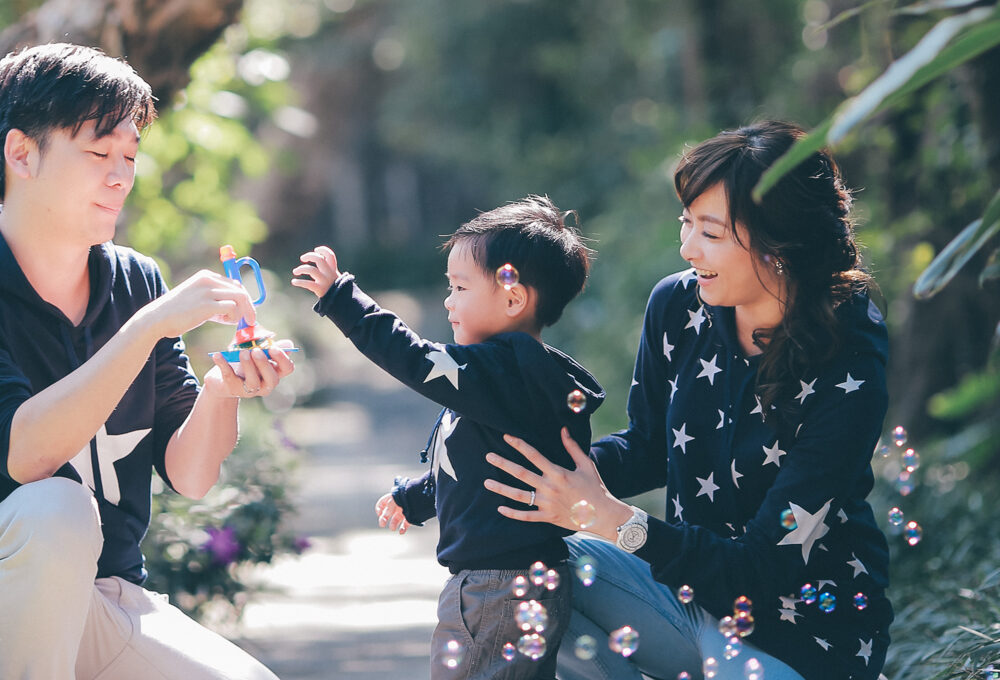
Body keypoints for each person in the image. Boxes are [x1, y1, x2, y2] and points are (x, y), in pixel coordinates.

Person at [0, 42, 294, 680]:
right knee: (56, 508)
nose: (121, 176)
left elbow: (191, 475)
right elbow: (27, 453)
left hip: (100, 597)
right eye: (99, 153)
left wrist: (222, 389)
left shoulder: (134, 280)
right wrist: (147, 327)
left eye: (129, 156)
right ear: (21, 153)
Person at [483, 121, 892, 680]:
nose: (686, 247)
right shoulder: (678, 305)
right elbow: (650, 446)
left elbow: (761, 566)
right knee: (518, 568)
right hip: (684, 598)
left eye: (711, 232)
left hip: (803, 631)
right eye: (686, 223)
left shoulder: (849, 350)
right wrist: (545, 481)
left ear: (782, 244)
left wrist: (616, 521)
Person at [292, 196, 606, 680]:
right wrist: (420, 496)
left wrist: (341, 297)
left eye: (460, 287)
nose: (448, 300)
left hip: (495, 589)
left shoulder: (503, 371)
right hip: (508, 583)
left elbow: (414, 358)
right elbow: (486, 466)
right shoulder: (509, 377)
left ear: (512, 298)